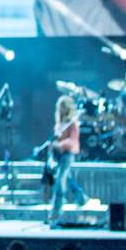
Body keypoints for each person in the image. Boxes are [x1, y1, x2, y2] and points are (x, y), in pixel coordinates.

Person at [47, 94, 88, 228]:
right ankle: (81, 197)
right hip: (58, 155)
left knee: (60, 183)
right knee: (66, 178)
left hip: (67, 154)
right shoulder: (59, 124)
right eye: (60, 107)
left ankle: (54, 215)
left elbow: (73, 141)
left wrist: (61, 144)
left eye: (64, 107)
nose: (61, 110)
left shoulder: (73, 123)